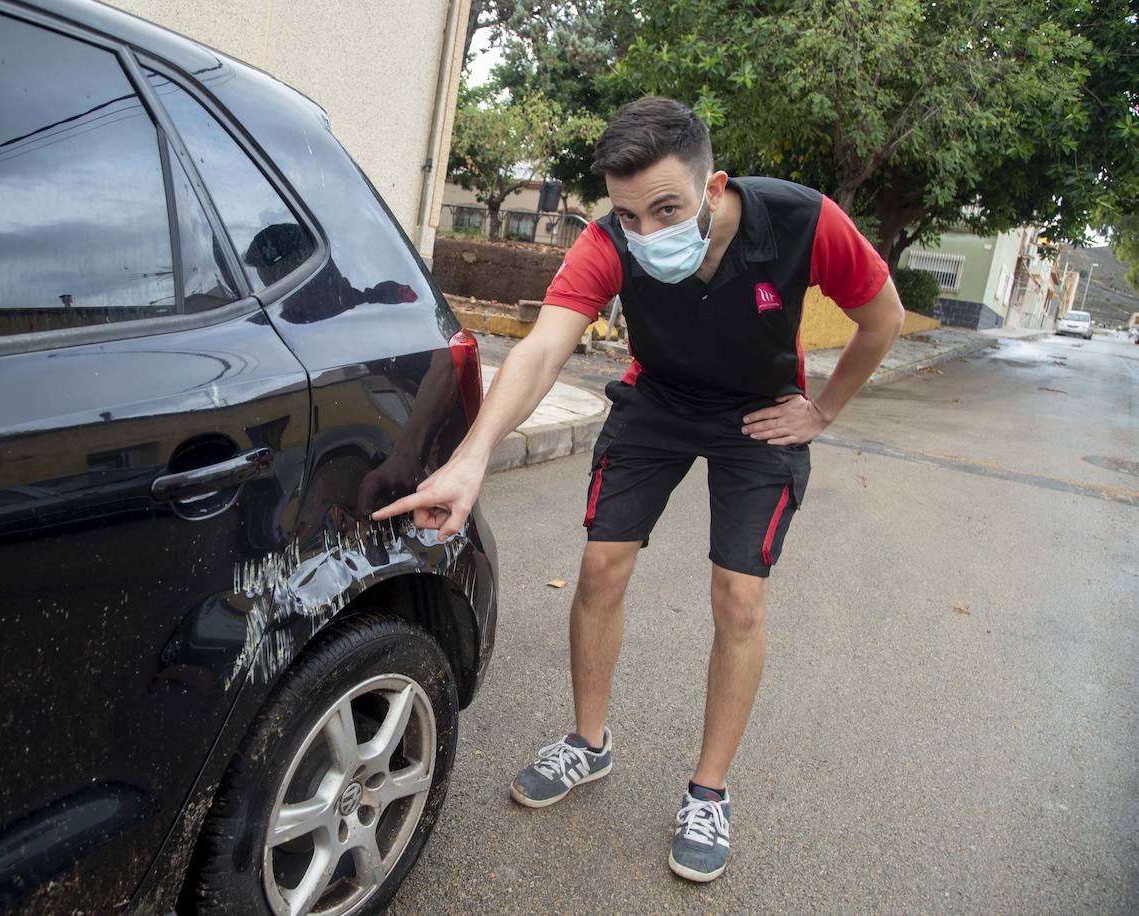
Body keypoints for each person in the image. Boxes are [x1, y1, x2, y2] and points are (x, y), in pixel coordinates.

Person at [373, 96, 904, 883]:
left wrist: (820, 411)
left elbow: (883, 318)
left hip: (760, 413)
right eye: (630, 216)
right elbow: (545, 347)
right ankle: (589, 744)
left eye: (667, 209)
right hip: (658, 400)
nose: (648, 233)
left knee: (739, 597)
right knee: (600, 568)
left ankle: (708, 792)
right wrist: (475, 454)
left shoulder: (801, 220)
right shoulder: (607, 241)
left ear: (712, 185)